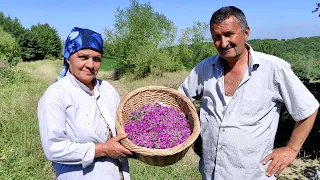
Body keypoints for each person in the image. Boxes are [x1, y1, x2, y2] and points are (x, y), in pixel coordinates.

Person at [178, 6, 319, 180]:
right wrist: (187, 134)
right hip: (211, 174)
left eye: (229, 34)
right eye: (216, 37)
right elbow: (178, 101)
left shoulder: (274, 69)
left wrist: (291, 150)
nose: (223, 43)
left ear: (246, 33)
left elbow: (308, 109)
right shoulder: (204, 69)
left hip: (254, 175)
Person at [38, 27, 132, 180]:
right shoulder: (56, 95)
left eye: (97, 59)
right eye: (83, 57)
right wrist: (104, 150)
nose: (90, 65)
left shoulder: (107, 89)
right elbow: (53, 148)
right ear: (68, 58)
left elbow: (121, 126)